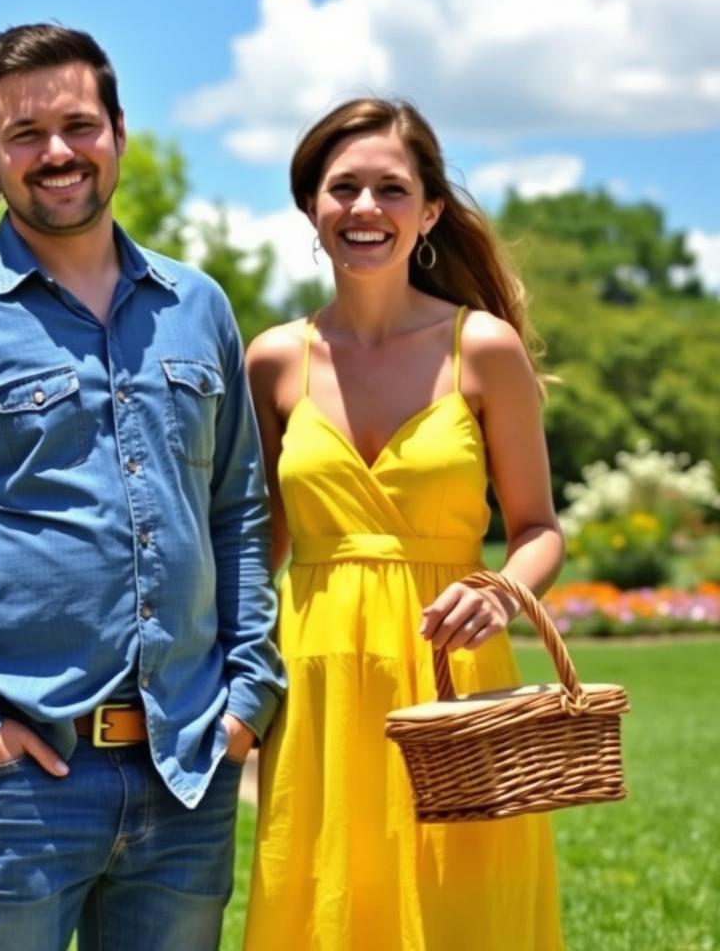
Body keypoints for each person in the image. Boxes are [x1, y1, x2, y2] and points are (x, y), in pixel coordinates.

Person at [0, 23, 284, 951]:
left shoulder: (198, 309)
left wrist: (249, 694)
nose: (57, 152)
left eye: (78, 124)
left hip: (189, 769)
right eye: (25, 133)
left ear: (119, 130)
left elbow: (238, 510)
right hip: (22, 786)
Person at [241, 98, 565, 951]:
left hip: (453, 669)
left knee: (461, 911)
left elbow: (539, 529)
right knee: (321, 904)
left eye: (391, 188)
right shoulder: (272, 359)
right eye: (342, 187)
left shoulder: (484, 347)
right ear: (312, 208)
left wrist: (500, 590)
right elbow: (257, 547)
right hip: (316, 681)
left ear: (428, 212)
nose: (365, 208)